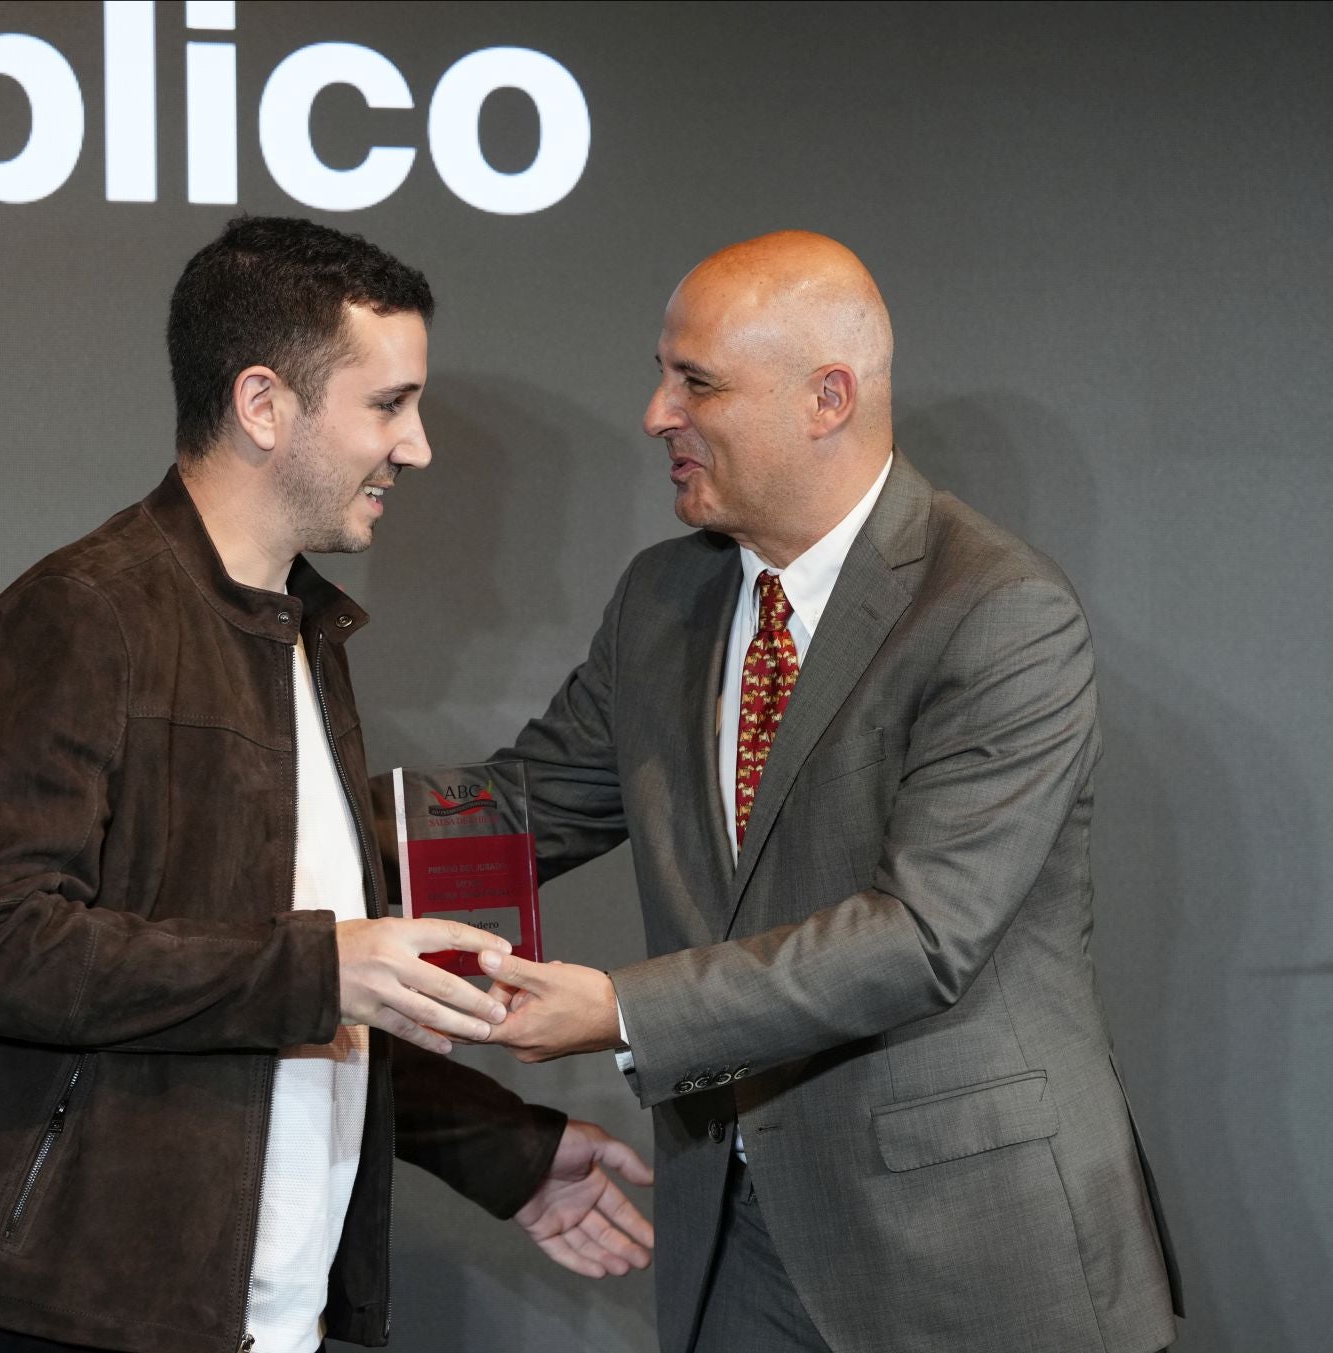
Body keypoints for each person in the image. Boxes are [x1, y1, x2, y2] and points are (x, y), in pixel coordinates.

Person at [0, 216, 653, 1353]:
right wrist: (323, 965)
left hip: (274, 1315)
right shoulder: (84, 614)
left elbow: (272, 996)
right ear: (263, 404)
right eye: (389, 404)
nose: (418, 447)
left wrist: (507, 1152)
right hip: (87, 1314)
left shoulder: (300, 633)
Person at [472, 231, 1182, 1353]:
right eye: (663, 376)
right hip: (733, 1247)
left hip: (967, 1254)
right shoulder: (662, 599)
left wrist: (622, 1012)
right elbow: (519, 810)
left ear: (828, 398)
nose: (656, 414)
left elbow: (921, 937)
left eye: (697, 382)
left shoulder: (997, 611)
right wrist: (286, 811)